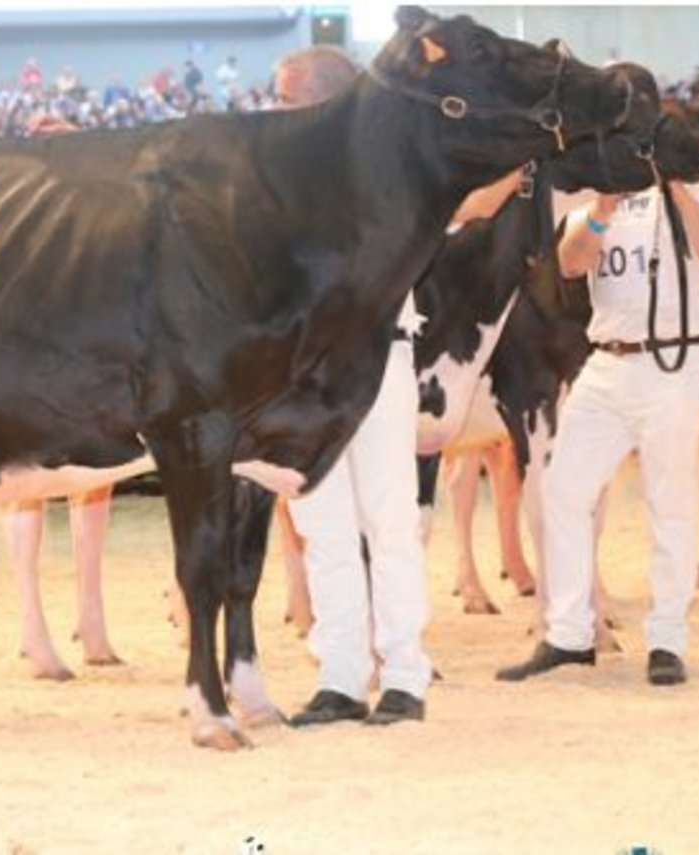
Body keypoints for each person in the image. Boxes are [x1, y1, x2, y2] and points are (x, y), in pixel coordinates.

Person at [279, 45, 522, 727]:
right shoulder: (279, 180)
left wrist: (518, 161)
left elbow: (465, 206)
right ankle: (341, 674)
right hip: (304, 368)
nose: (279, 111)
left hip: (376, 357)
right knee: (321, 521)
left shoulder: (388, 170)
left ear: (325, 100)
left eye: (289, 97)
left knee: (387, 517)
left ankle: (405, 673)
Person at [496, 162, 699, 686]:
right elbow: (569, 263)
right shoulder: (604, 182)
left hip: (676, 361)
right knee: (562, 489)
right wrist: (603, 209)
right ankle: (569, 634)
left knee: (668, 501)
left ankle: (667, 640)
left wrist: (679, 191)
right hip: (606, 360)